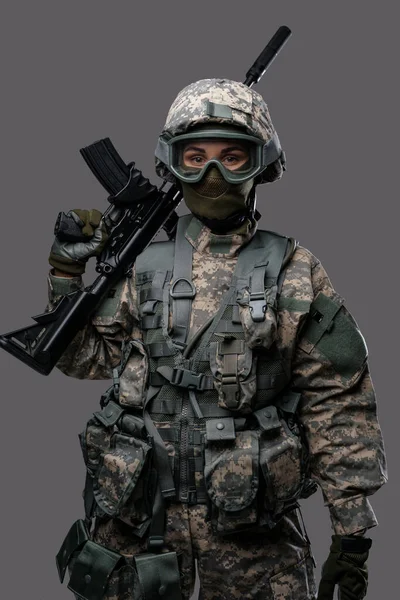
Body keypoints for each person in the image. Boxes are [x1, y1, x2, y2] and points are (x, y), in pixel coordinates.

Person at [48, 79, 387, 600]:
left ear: (263, 165)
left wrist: (352, 530)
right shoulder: (141, 266)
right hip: (135, 525)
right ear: (172, 164)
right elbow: (86, 359)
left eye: (233, 157)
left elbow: (338, 403)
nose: (212, 175)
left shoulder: (294, 272)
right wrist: (66, 274)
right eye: (195, 157)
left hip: (251, 535)